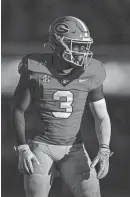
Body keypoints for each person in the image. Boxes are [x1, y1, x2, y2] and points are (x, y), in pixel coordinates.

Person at [12, 16, 113, 197]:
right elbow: (18, 109)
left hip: (74, 148)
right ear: (57, 44)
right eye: (76, 45)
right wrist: (22, 148)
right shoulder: (35, 68)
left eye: (85, 45)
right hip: (40, 147)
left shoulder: (92, 71)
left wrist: (104, 148)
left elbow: (102, 115)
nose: (83, 51)